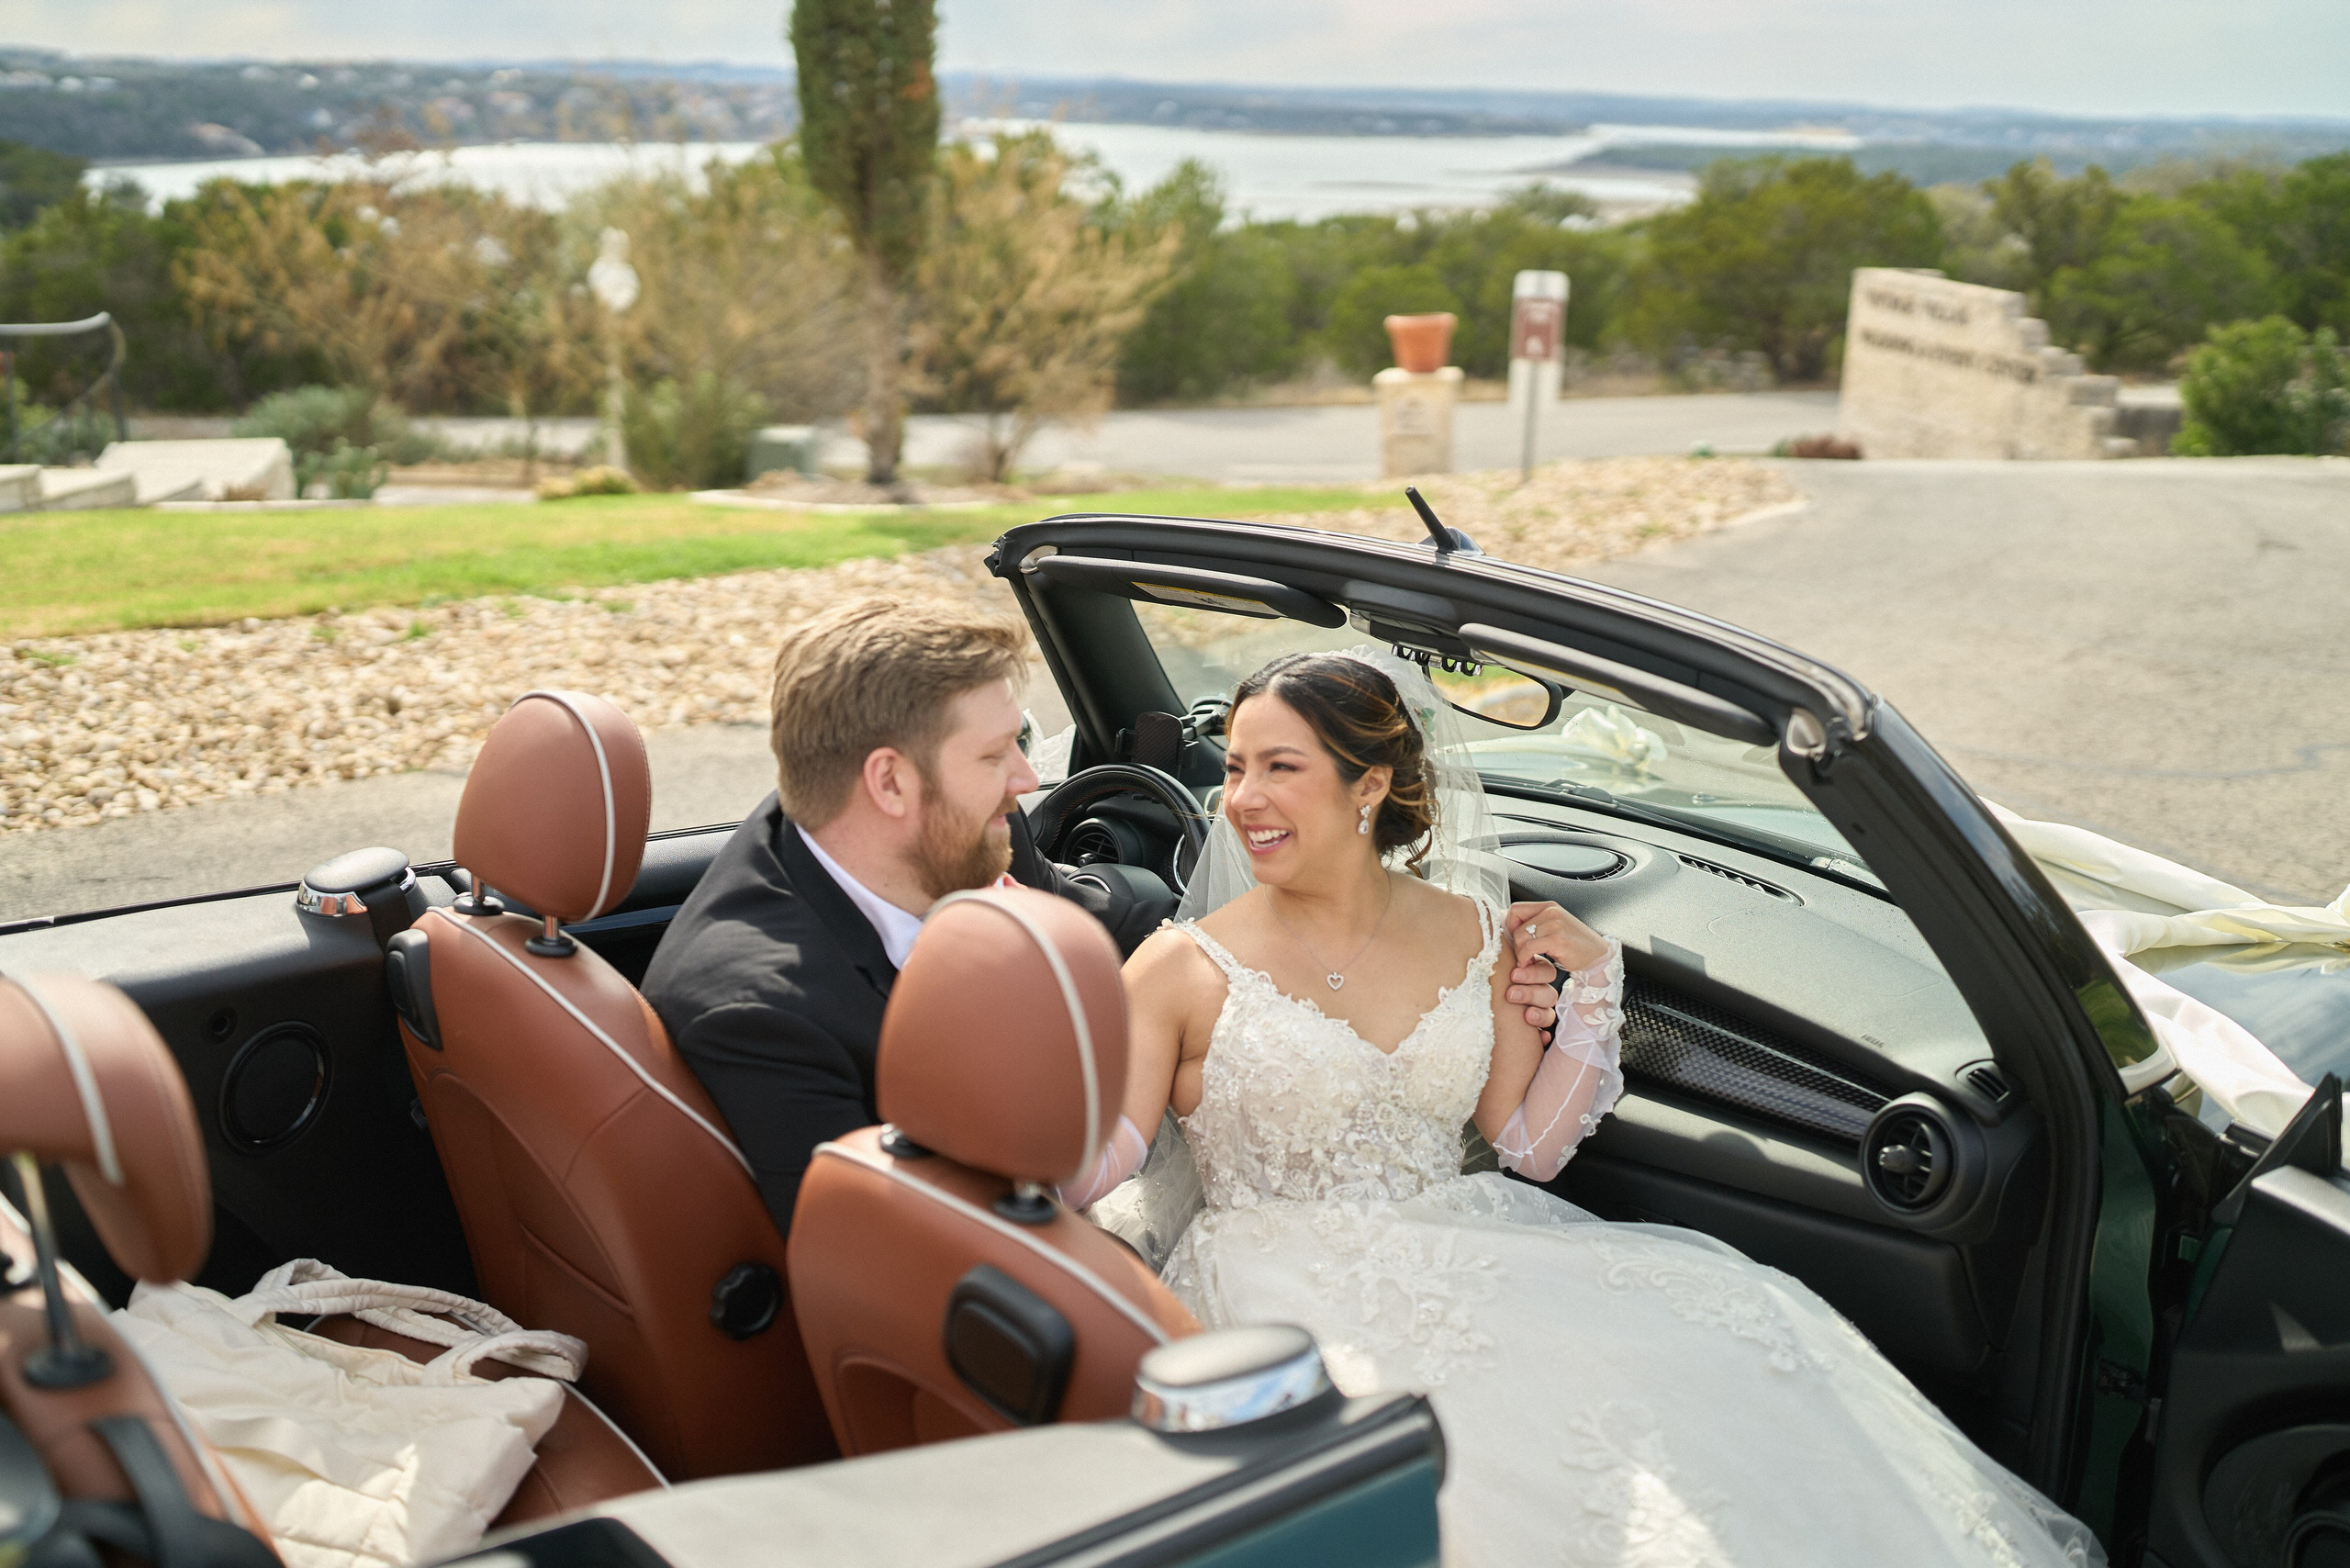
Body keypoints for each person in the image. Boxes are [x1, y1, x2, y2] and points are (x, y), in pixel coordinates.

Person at [1089, 650, 2102, 1568]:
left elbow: (1522, 1147)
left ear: (1371, 782)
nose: (1242, 800)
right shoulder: (1180, 965)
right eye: (1232, 766)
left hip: (1478, 1248)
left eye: (1280, 768)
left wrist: (1596, 989)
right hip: (1278, 1290)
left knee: (1746, 1339)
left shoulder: (1482, 932)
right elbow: (1103, 1160)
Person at [645, 596, 1575, 1240]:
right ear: (888, 780)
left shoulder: (956, 832)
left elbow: (1069, 921)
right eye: (998, 753)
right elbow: (893, 1263)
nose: (1029, 779)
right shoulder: (760, 1009)